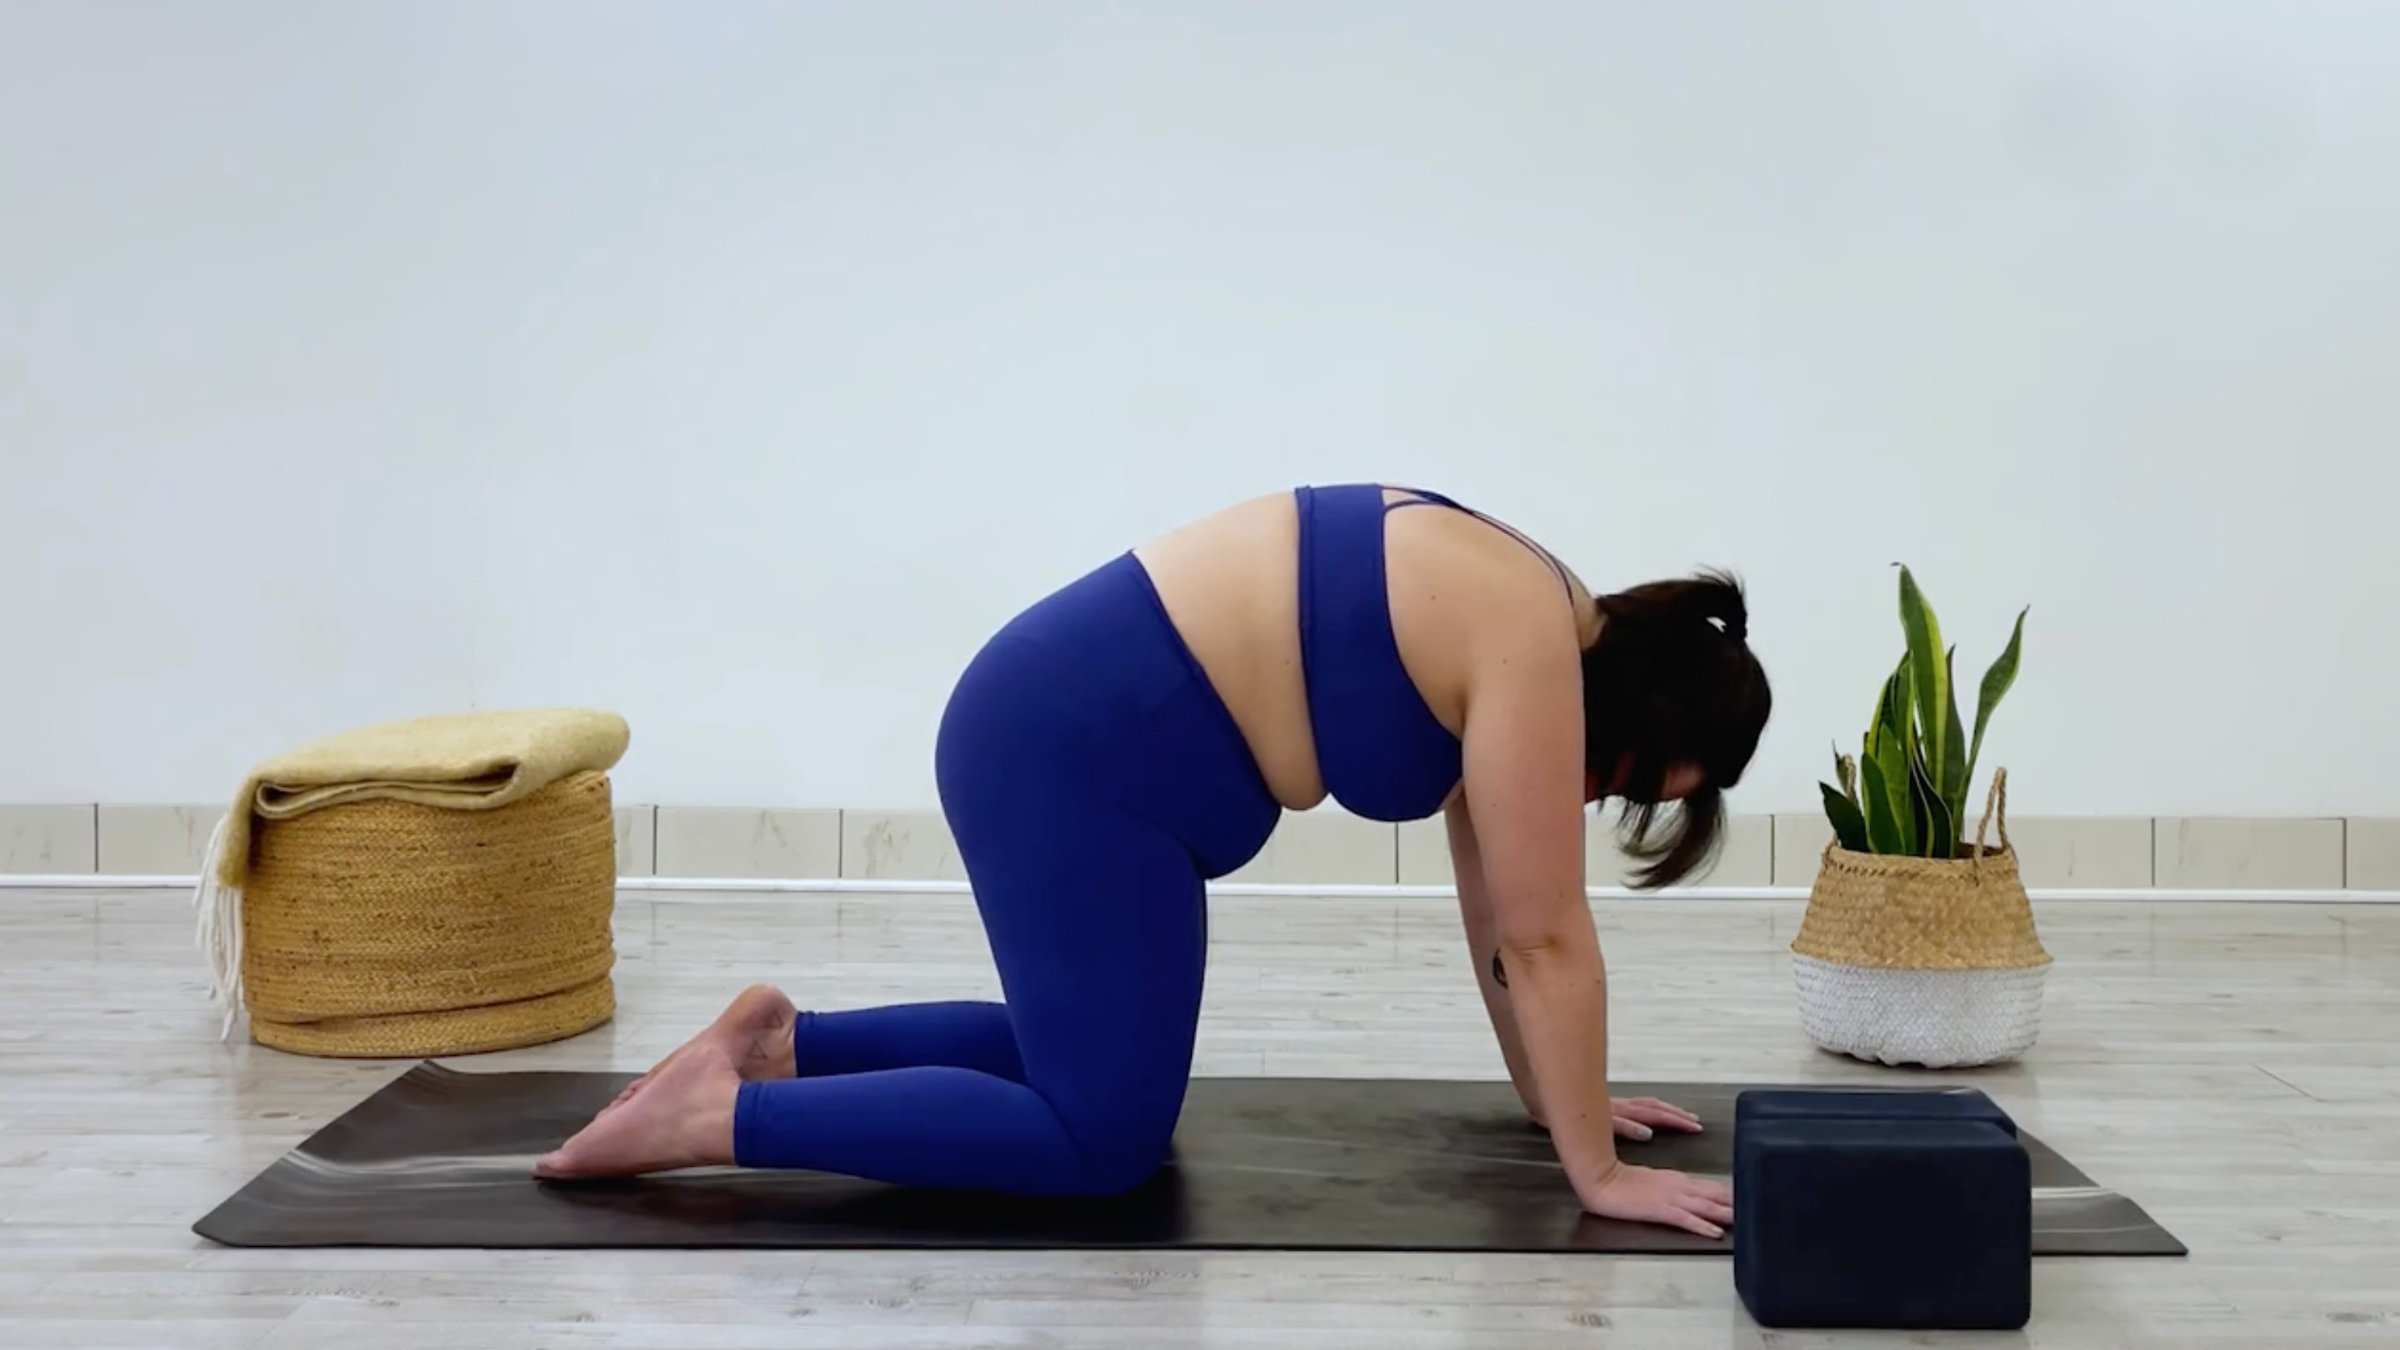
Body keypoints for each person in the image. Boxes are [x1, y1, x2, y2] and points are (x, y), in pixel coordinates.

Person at [533, 483, 1770, 1240]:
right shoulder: (1530, 643)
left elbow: (1500, 911)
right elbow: (1548, 938)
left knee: (1094, 1074)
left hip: (1086, 742)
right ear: (1644, 704)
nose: (1595, 796)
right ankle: (721, 1116)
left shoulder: (1525, 602)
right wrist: (1599, 1176)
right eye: (1628, 778)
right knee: (1099, 1142)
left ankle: (784, 1047)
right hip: (1072, 748)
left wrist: (1558, 1102)